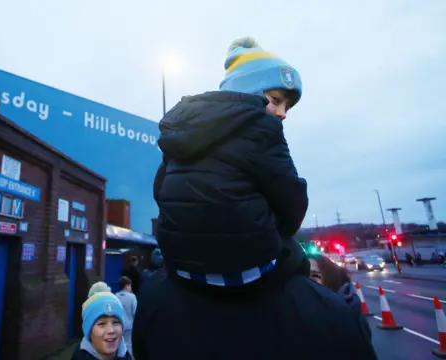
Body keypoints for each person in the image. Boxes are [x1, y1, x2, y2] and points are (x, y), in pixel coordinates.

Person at [133, 37, 377, 360]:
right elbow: (293, 209)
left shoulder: (182, 137)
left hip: (183, 276)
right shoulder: (263, 131)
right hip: (264, 282)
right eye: (276, 100)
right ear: (246, 94)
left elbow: (159, 192)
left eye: (287, 106)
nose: (282, 113)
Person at [71, 290, 132, 360]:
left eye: (116, 322)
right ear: (89, 331)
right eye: (101, 324)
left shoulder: (126, 356)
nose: (111, 330)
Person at [115, 276, 138, 356]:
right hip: (129, 326)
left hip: (118, 325)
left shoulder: (115, 297)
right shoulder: (132, 297)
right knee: (128, 346)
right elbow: (135, 312)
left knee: (117, 345)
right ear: (127, 285)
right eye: (130, 285)